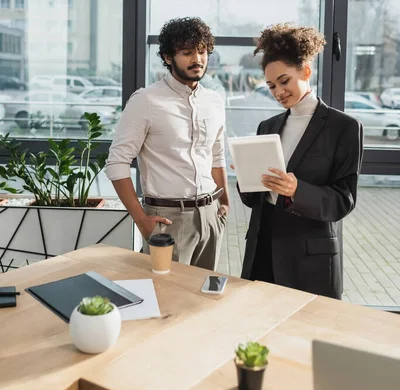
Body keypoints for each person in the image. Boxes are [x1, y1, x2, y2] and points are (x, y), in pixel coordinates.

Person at [238, 23, 363, 299]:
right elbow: (254, 200)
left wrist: (297, 190)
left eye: (284, 81)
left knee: (305, 337)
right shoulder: (267, 126)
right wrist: (246, 176)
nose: (278, 92)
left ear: (305, 71)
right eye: (271, 86)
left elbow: (343, 200)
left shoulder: (343, 128)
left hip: (309, 259)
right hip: (262, 250)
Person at [105, 17, 229, 270]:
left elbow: (217, 155)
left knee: (203, 299)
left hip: (210, 215)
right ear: (168, 57)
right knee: (164, 300)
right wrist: (142, 220)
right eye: (187, 52)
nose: (198, 59)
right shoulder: (146, 100)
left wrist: (224, 201)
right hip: (167, 218)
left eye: (202, 51)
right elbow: (116, 164)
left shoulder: (214, 100)